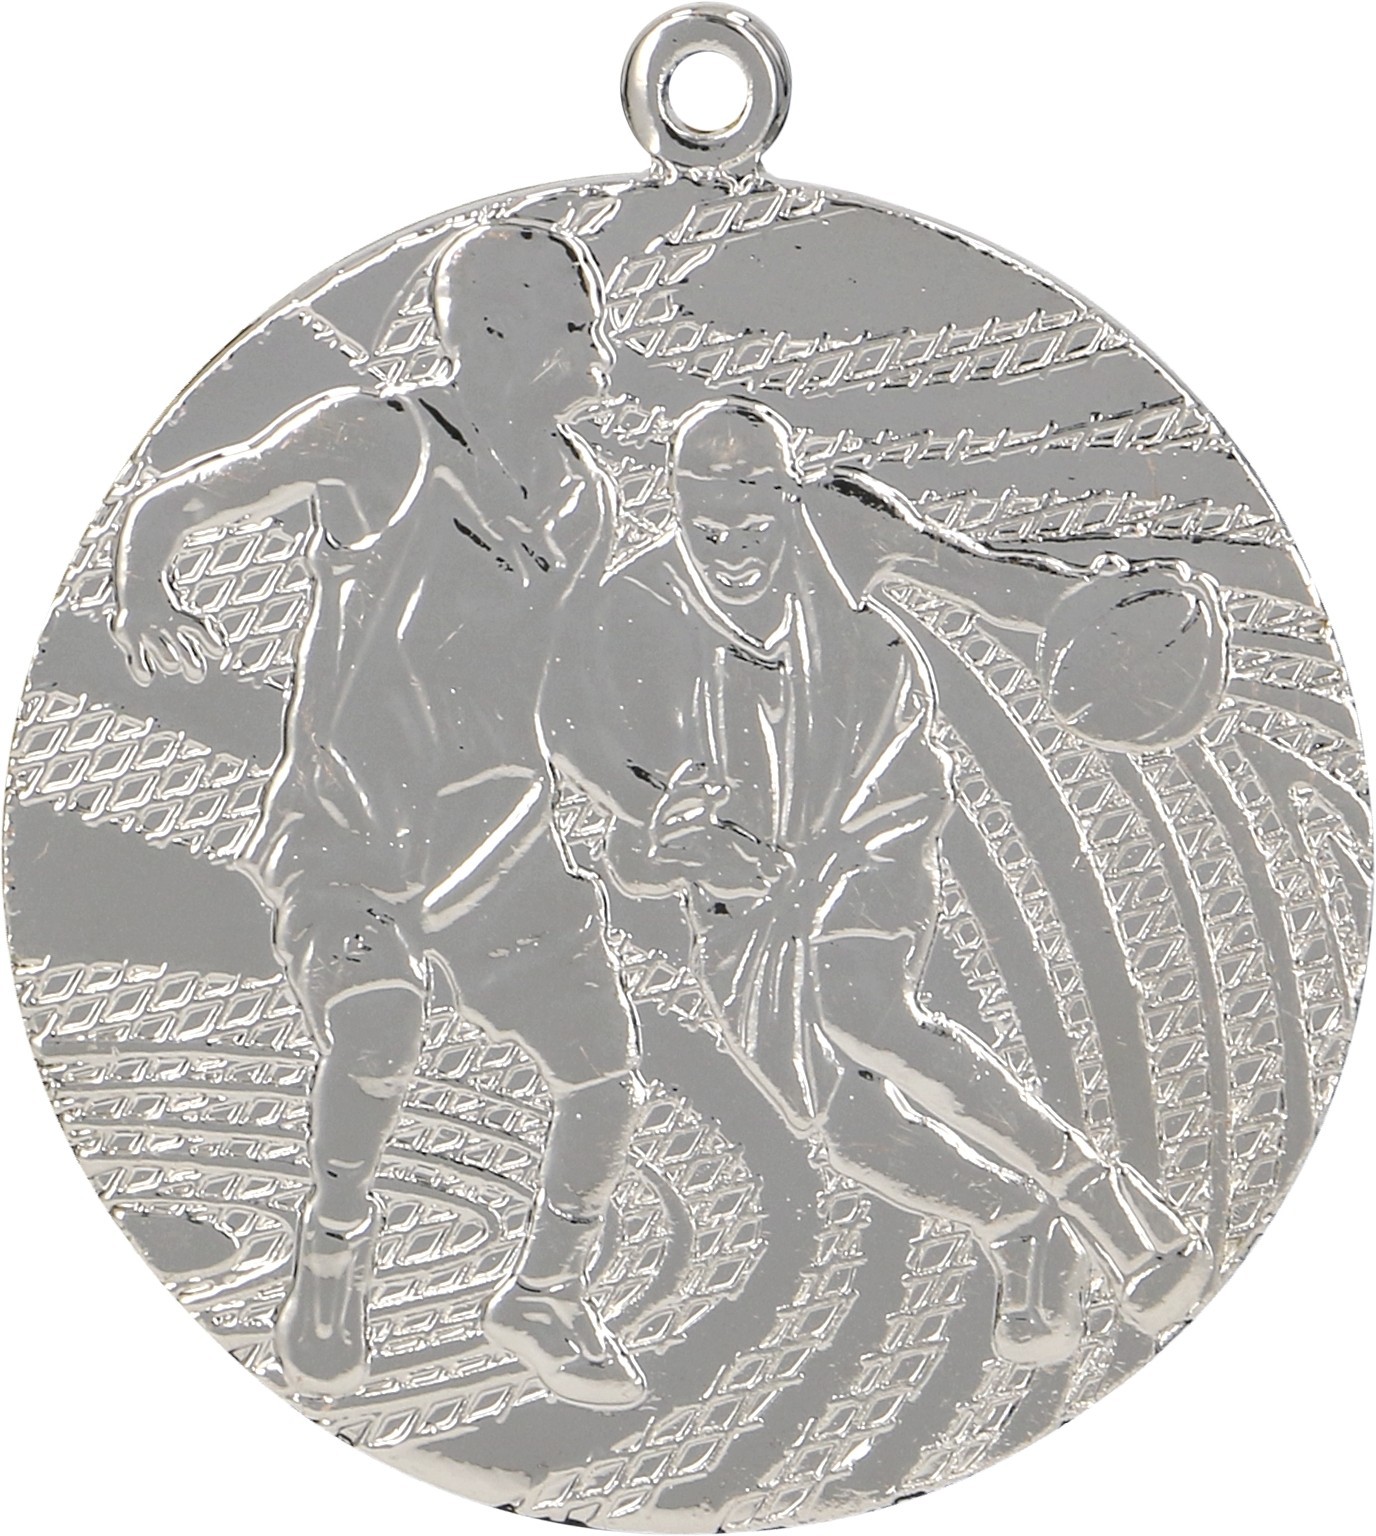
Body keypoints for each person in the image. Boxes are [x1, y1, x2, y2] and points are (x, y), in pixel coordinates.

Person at [537, 397, 1215, 1364]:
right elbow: (623, 823)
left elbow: (978, 578)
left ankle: (1110, 1203)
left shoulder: (836, 522)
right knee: (851, 1132)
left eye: (755, 524)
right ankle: (1018, 1224)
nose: (734, 552)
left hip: (870, 813)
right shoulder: (633, 616)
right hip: (753, 892)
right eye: (709, 530)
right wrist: (673, 837)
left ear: (789, 494)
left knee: (864, 1009)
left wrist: (1091, 602)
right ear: (676, 508)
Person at [111, 219, 647, 1408]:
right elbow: (178, 497)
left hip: (497, 836)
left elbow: (574, 698)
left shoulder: (582, 494)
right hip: (351, 824)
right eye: (573, 321)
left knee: (603, 1072)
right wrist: (145, 593)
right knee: (378, 1030)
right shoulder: (379, 436)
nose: (594, 345)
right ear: (495, 329)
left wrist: (659, 809)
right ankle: (332, 1253)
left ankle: (544, 1293)